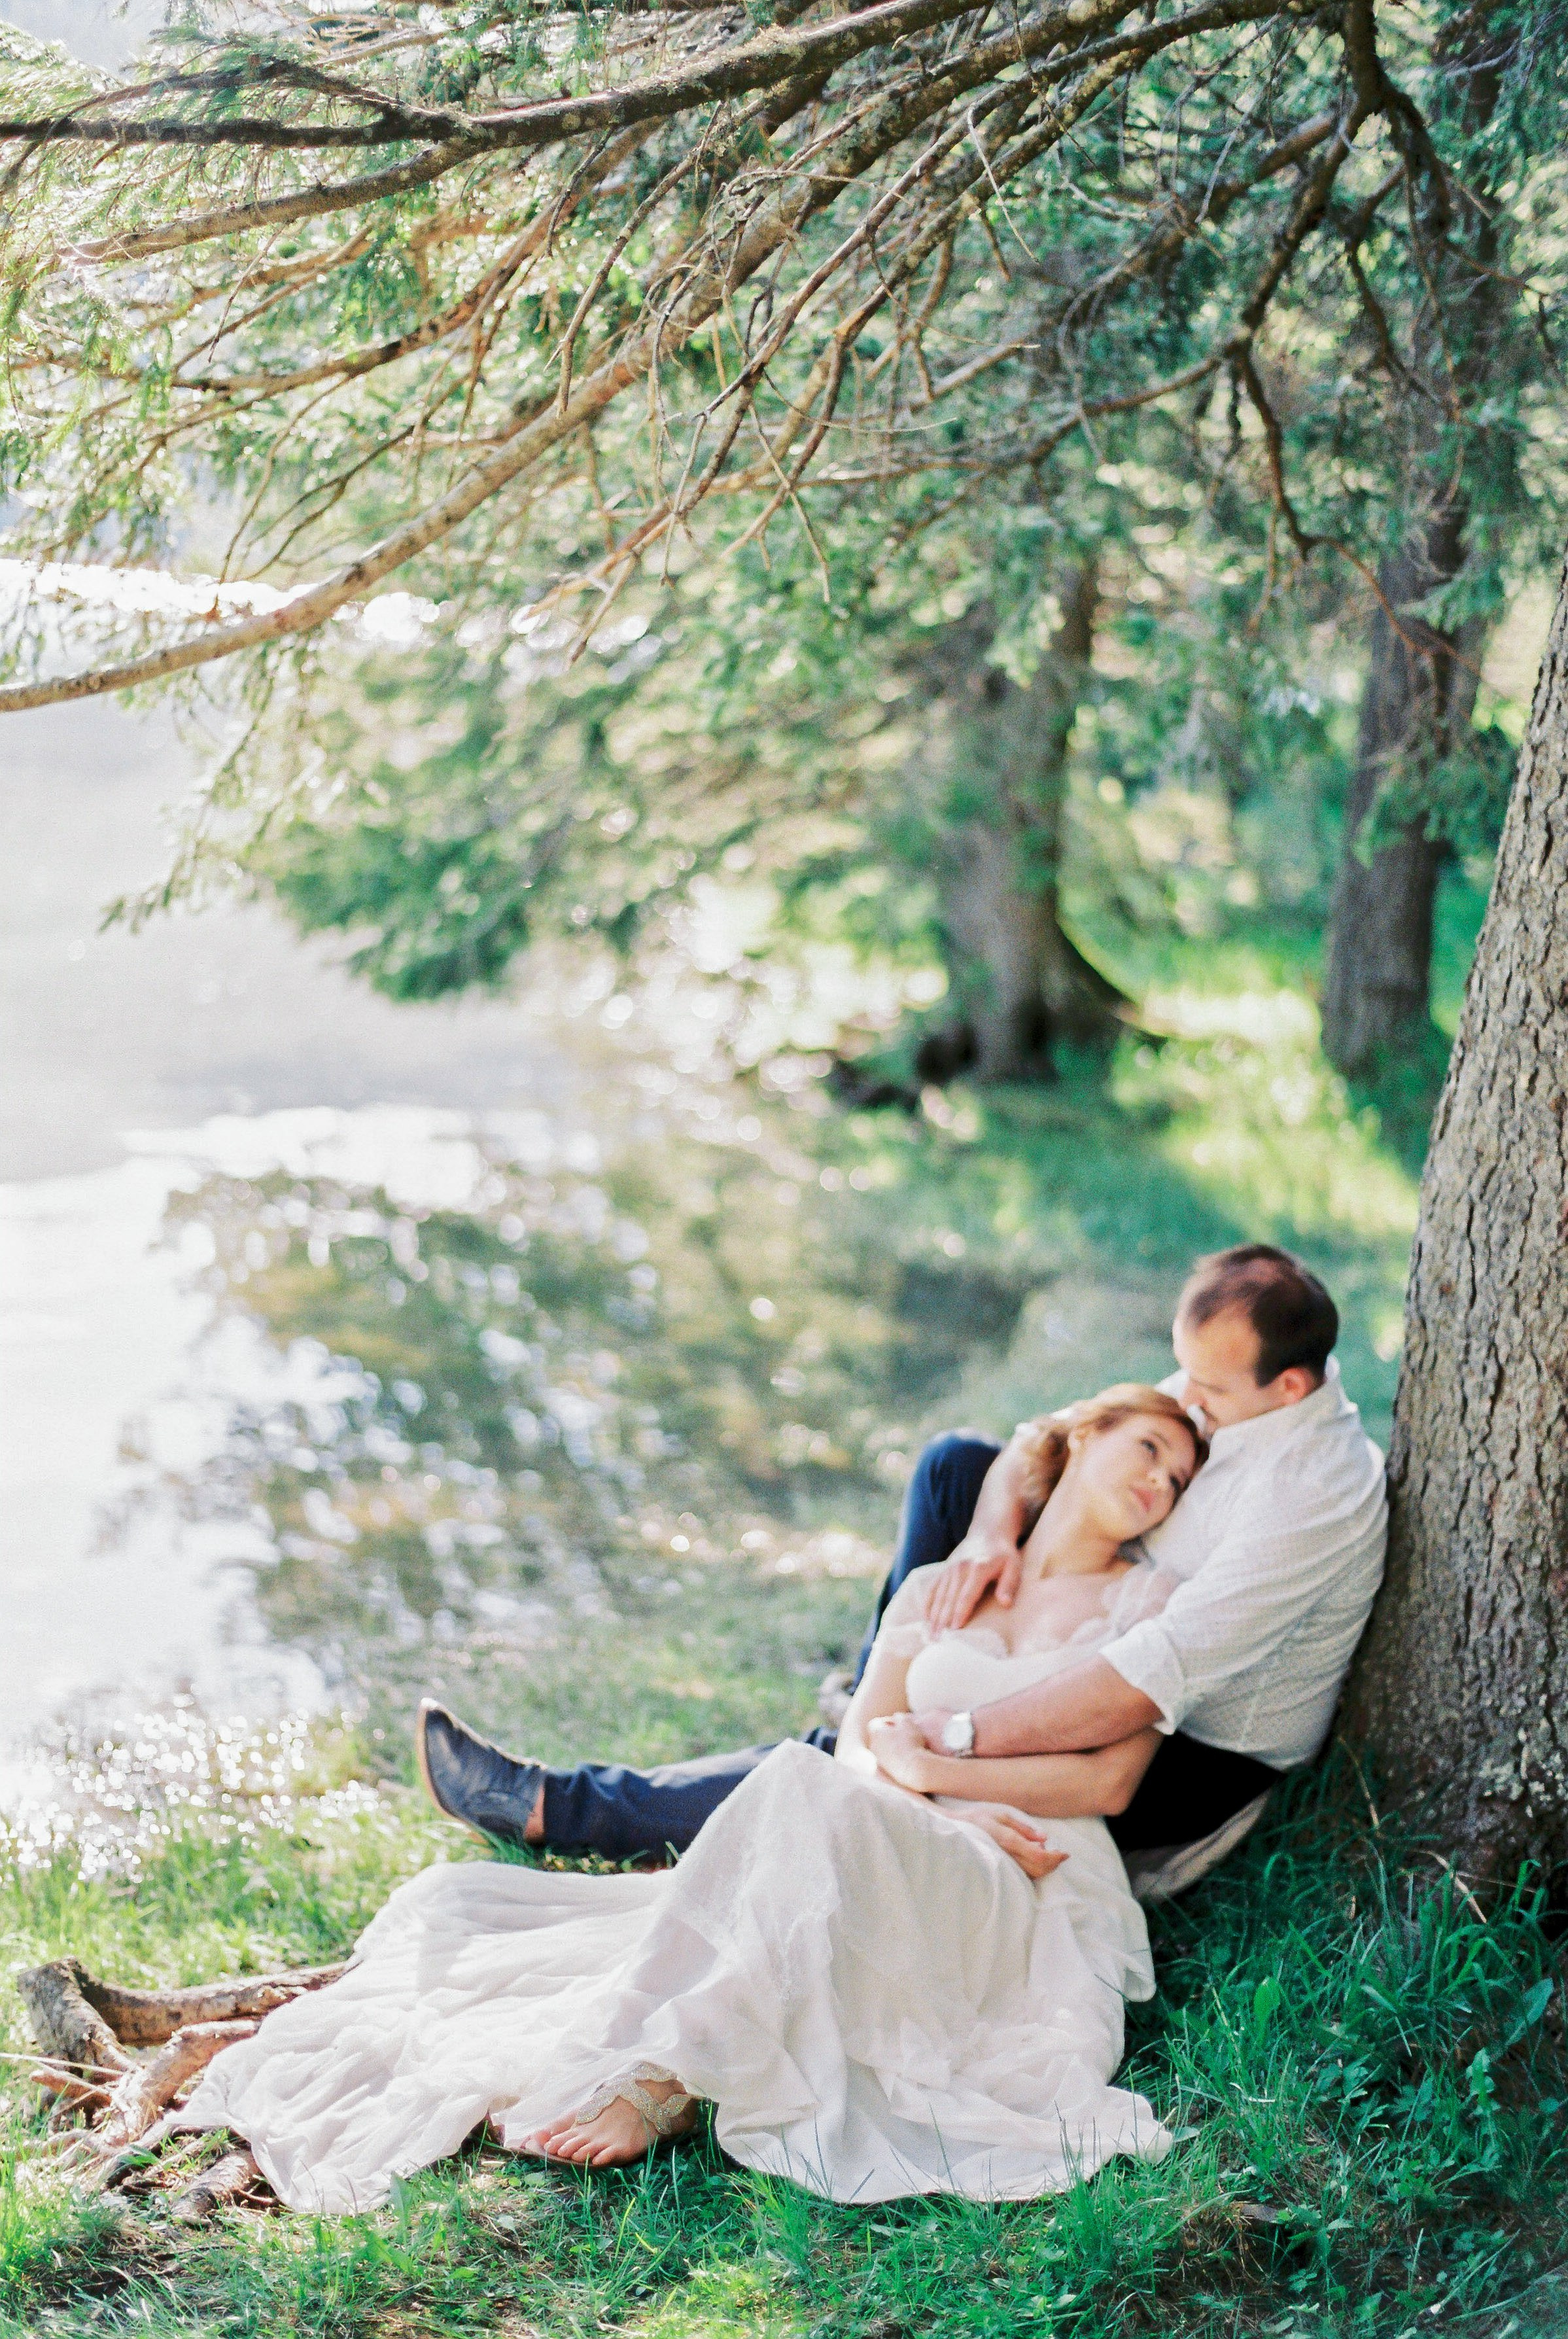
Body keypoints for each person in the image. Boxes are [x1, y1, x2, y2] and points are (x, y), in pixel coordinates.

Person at [179, 1388, 1204, 2209]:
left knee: (801, 1799)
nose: (1162, 1483)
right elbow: (858, 1744)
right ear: (1085, 1435)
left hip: (1031, 1862)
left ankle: (666, 2079)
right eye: (1150, 1449)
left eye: (1181, 1476)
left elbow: (1105, 1780)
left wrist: (939, 1778)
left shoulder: (1146, 1600)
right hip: (906, 1819)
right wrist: (920, 1784)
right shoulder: (947, 1582)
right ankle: (669, 2048)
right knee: (806, 1785)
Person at [416, 1244, 1389, 1895]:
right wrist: (988, 1539)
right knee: (959, 1469)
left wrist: (946, 1737)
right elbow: (1038, 1441)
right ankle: (882, 1689)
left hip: (1191, 1745)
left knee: (859, 1769)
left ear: (1289, 1386)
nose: (1191, 1400)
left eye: (1208, 1392)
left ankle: (563, 1805)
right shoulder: (1230, 1377)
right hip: (1094, 1623)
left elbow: (1143, 1688)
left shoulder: (1309, 1495)